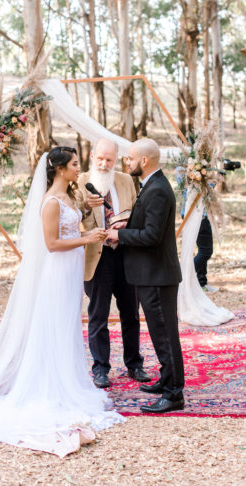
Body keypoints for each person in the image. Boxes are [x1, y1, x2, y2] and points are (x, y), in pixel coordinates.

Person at [0, 147, 124, 457]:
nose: (77, 168)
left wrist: (87, 225)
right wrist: (88, 238)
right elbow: (52, 244)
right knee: (54, 324)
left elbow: (72, 228)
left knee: (67, 325)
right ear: (58, 169)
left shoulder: (70, 196)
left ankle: (67, 377)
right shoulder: (51, 202)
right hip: (58, 271)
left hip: (71, 270)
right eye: (72, 164)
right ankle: (49, 384)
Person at [107, 138, 185, 413]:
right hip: (150, 274)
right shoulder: (152, 186)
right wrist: (129, 223)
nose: (127, 162)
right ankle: (166, 380)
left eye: (130, 158)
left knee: (165, 335)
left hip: (157, 275)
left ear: (144, 161)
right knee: (160, 333)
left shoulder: (157, 190)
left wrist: (120, 234)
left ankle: (174, 393)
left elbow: (152, 236)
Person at [76, 138, 150, 389]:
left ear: (115, 159)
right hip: (98, 255)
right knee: (98, 314)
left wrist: (128, 224)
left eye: (109, 159)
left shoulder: (127, 180)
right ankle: (100, 369)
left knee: (131, 312)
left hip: (126, 254)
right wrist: (86, 206)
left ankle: (134, 364)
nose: (104, 164)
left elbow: (139, 213)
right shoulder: (80, 180)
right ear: (92, 156)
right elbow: (71, 216)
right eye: (100, 158)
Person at [175, 166, 218, 293]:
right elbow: (202, 190)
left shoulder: (183, 169)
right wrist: (212, 181)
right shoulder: (186, 170)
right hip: (197, 214)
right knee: (206, 251)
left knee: (201, 250)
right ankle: (183, 276)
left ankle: (201, 281)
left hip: (193, 213)